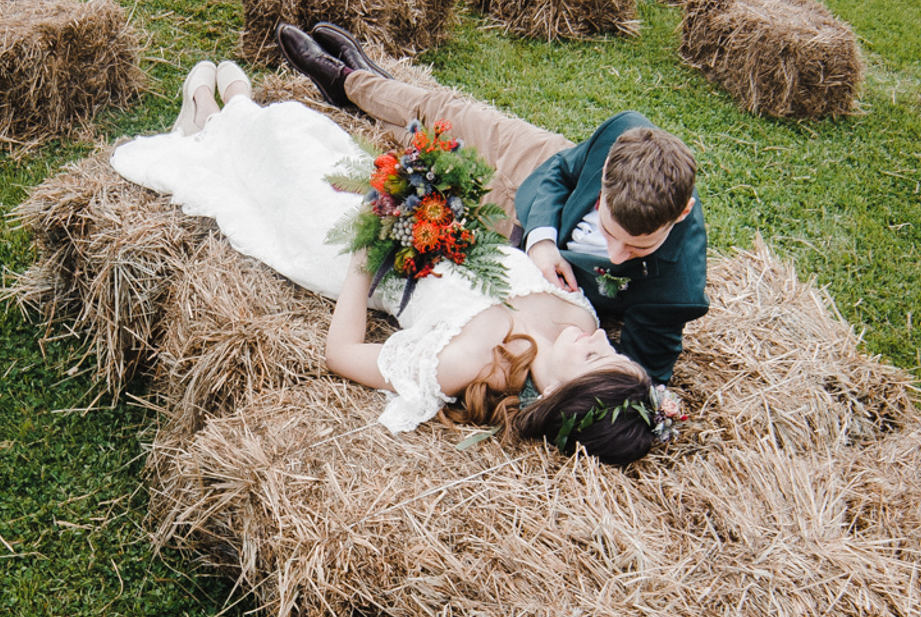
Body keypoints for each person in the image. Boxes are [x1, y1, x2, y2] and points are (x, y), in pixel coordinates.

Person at [107, 53, 681, 466]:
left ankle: (210, 112)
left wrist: (364, 251)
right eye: (615, 351)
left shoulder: (468, 365)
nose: (607, 340)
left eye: (603, 360)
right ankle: (234, 106)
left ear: (572, 393)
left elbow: (341, 354)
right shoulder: (579, 318)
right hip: (420, 216)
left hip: (364, 250)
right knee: (312, 135)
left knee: (277, 155)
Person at [277, 23, 708, 388]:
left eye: (637, 249)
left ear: (682, 213)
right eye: (612, 234)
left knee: (435, 154)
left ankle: (351, 82)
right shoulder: (627, 133)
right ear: (607, 179)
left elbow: (638, 376)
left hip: (512, 239)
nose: (615, 256)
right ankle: (355, 79)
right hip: (544, 173)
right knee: (450, 111)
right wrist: (545, 238)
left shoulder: (677, 294)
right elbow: (560, 170)